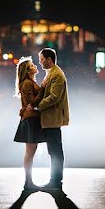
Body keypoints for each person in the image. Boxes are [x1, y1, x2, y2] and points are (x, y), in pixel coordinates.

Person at [27, 48, 69, 192]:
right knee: (54, 150)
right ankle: (55, 180)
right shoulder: (50, 74)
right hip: (49, 118)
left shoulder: (57, 75)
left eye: (41, 59)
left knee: (55, 150)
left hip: (53, 118)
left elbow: (54, 97)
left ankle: (56, 181)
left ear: (49, 59)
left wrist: (38, 106)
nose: (39, 62)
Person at [13, 57, 45, 191]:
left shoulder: (30, 82)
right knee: (30, 152)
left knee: (31, 151)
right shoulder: (27, 83)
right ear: (27, 70)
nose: (35, 66)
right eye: (32, 65)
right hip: (30, 119)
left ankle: (29, 182)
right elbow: (33, 102)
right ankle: (28, 182)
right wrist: (43, 89)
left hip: (32, 118)